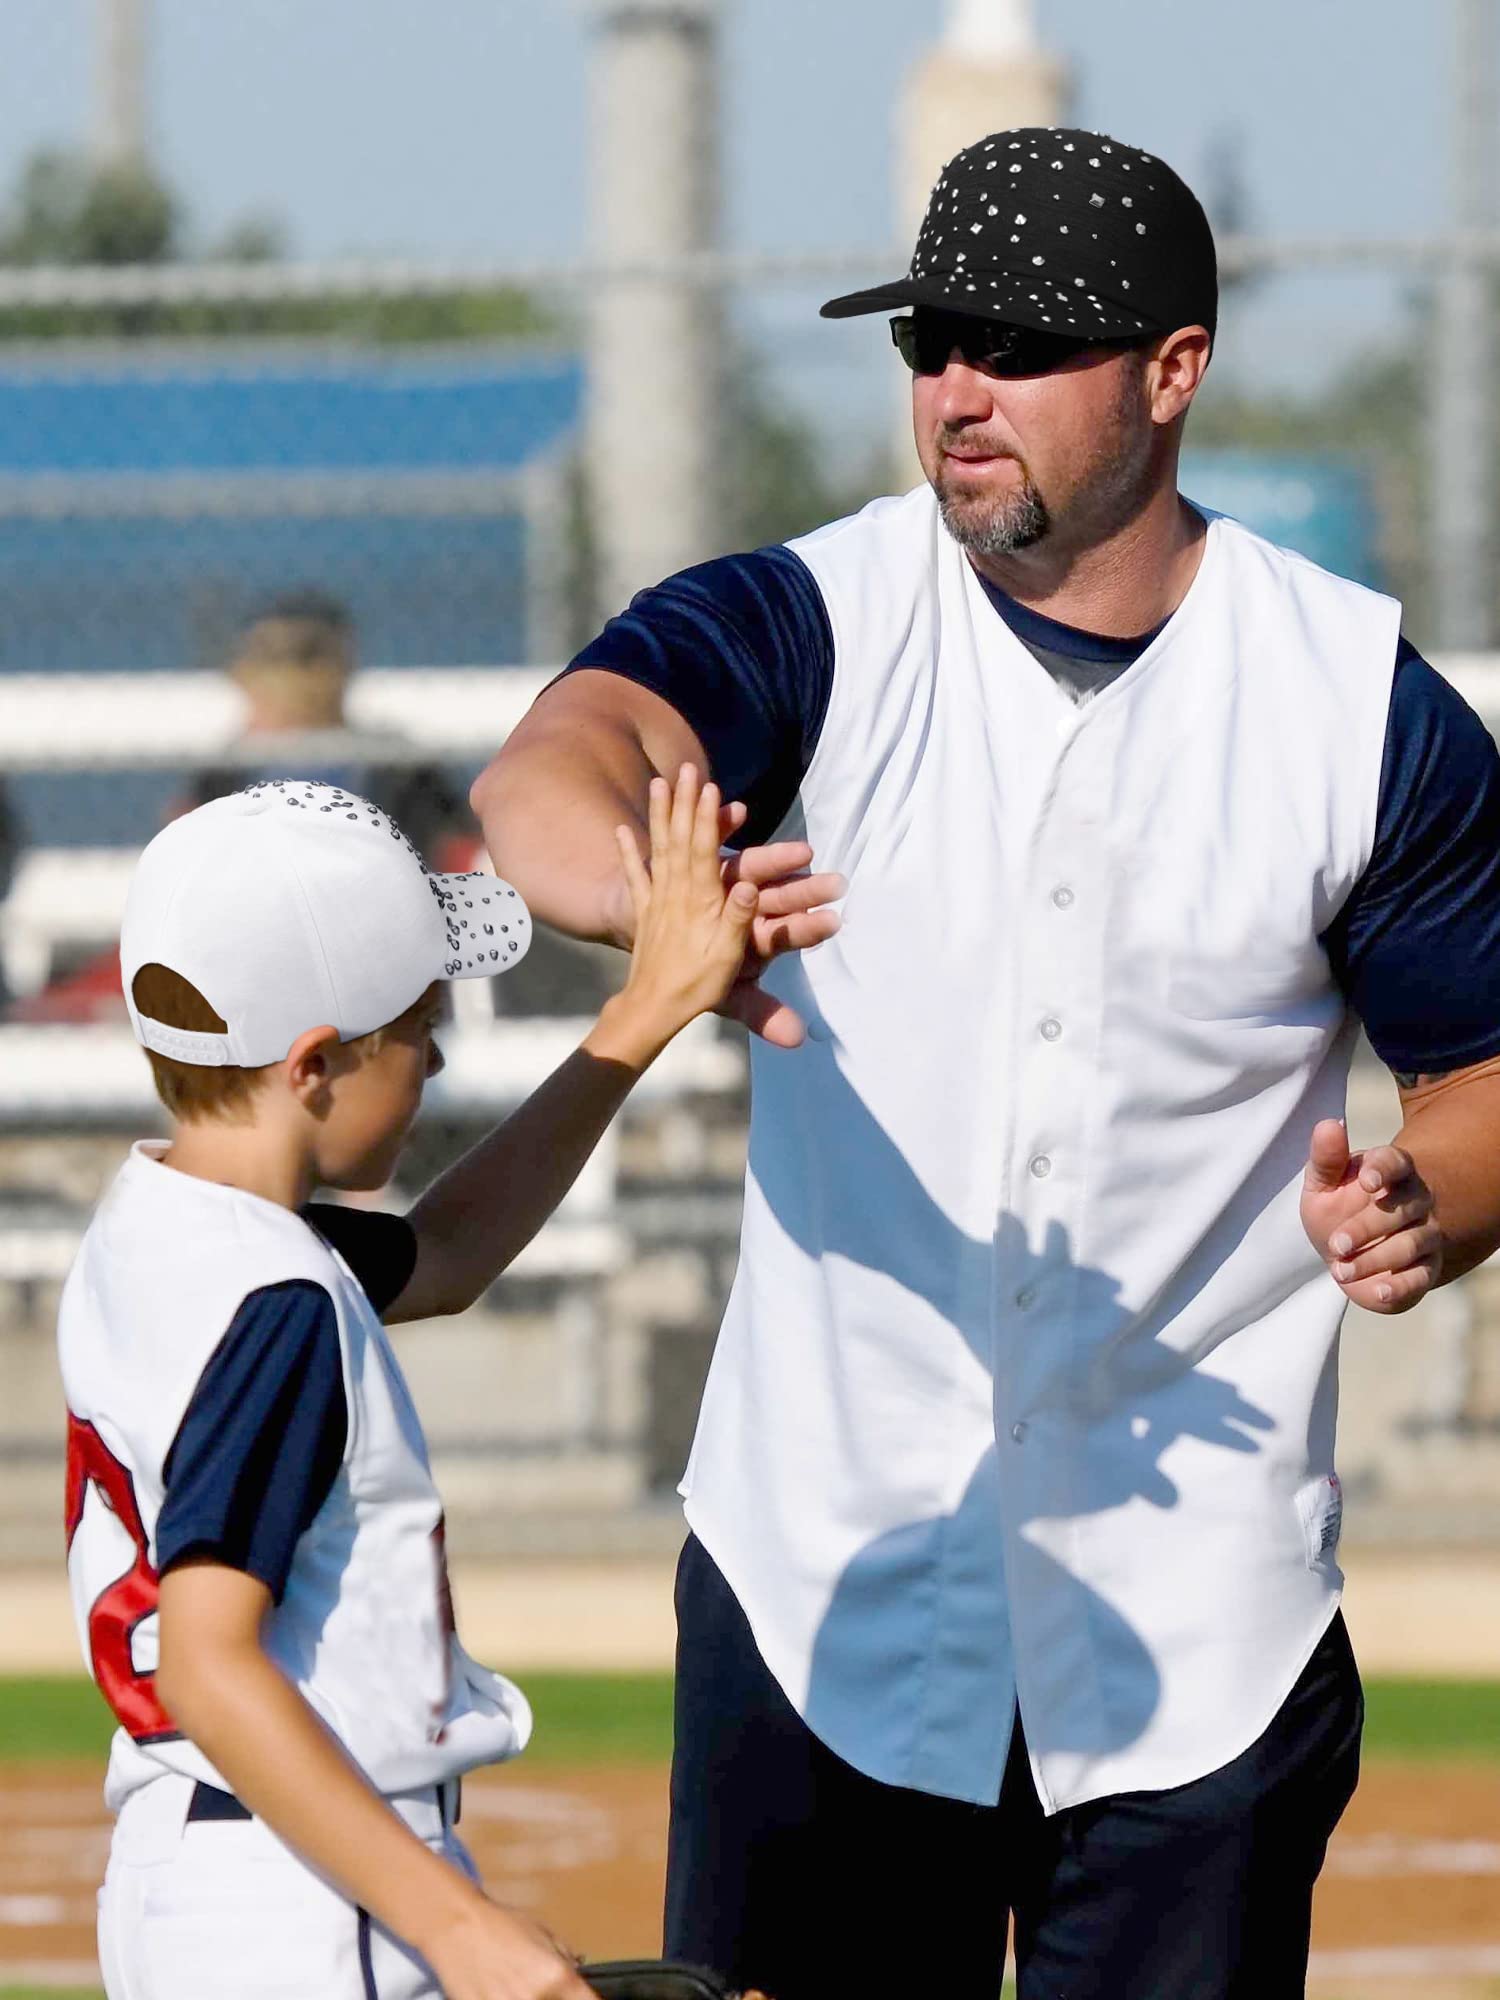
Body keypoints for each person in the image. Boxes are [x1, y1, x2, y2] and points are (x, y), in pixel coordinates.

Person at [470, 128, 1500, 2000]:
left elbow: (1493, 1068)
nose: (956, 390)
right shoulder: (815, 616)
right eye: (930, 342)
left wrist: (1439, 1191)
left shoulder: (1358, 705)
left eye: (1016, 349)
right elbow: (558, 759)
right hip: (830, 1587)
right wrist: (650, 897)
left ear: (1174, 373)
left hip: (1205, 1626)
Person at [59, 767, 761, 2000]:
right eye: (420, 1023)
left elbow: (443, 1254)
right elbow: (212, 1662)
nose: (436, 1055)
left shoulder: (166, 1221)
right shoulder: (273, 1302)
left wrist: (642, 1015)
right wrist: (463, 1928)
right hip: (306, 1900)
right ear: (317, 1062)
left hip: (215, 1876)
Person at [186, 589, 474, 869]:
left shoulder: (399, 771)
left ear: (344, 664)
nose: (296, 677)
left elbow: (457, 858)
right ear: (243, 672)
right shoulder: (221, 779)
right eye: (272, 656)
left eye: (309, 655)